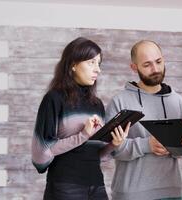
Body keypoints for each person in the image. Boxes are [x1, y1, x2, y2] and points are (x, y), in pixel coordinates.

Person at [31, 37, 130, 200]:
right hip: (65, 186)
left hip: (96, 185)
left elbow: (96, 155)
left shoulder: (96, 104)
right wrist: (82, 135)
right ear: (73, 64)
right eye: (91, 62)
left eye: (99, 63)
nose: (97, 69)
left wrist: (114, 144)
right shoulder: (54, 99)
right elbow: (40, 152)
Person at [105, 40, 182, 200]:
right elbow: (111, 150)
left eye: (159, 62)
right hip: (131, 195)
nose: (155, 69)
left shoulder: (177, 100)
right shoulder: (119, 101)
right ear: (134, 67)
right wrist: (147, 145)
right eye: (147, 65)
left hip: (173, 192)